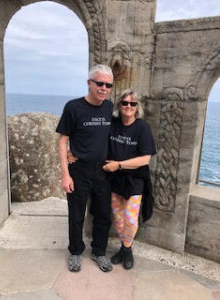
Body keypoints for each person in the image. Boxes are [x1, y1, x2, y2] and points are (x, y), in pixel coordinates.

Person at [56, 64, 114, 272]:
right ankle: (75, 251)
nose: (104, 88)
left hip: (103, 171)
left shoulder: (109, 107)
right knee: (76, 214)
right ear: (89, 83)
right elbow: (63, 140)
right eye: (99, 83)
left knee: (103, 215)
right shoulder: (73, 107)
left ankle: (99, 251)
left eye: (108, 85)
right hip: (79, 169)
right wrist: (65, 174)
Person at [102, 89, 156, 270]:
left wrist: (118, 164)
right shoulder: (113, 124)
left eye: (133, 104)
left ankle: (126, 249)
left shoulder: (142, 127)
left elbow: (145, 159)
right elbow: (94, 138)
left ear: (137, 107)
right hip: (114, 181)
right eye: (125, 103)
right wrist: (74, 151)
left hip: (135, 180)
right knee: (118, 219)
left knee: (130, 219)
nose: (128, 106)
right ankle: (126, 248)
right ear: (119, 105)